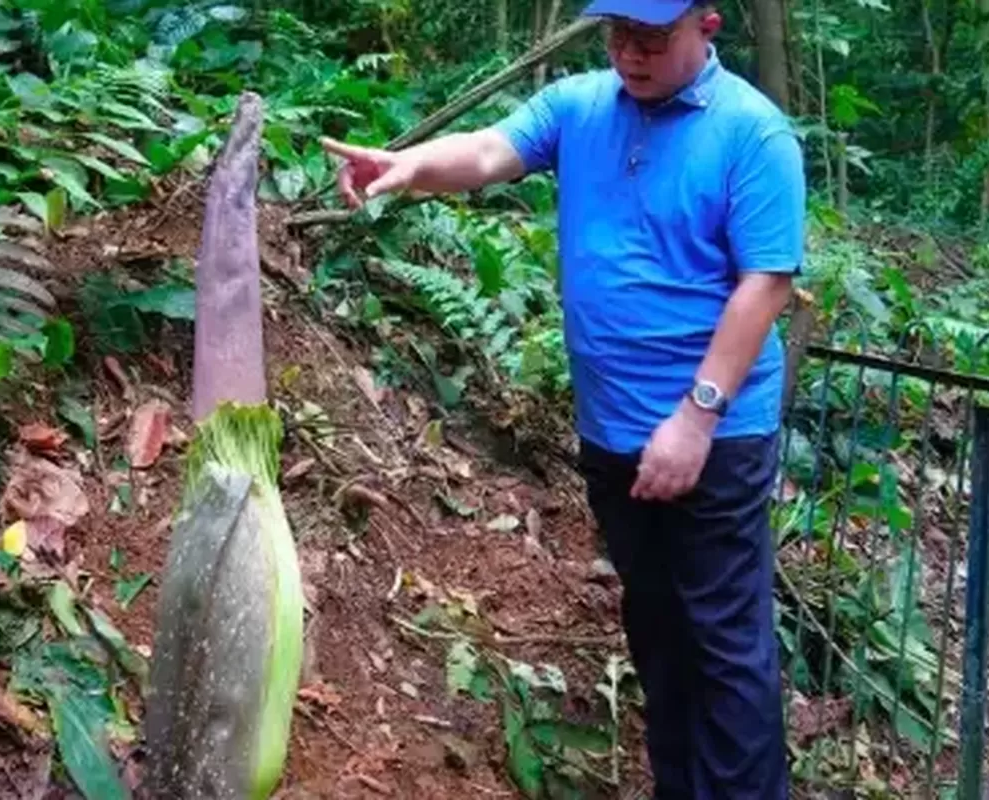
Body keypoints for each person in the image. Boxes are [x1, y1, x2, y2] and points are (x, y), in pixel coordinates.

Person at [321, 1, 804, 796]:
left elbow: (766, 284)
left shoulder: (754, 134)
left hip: (714, 439)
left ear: (707, 25)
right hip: (612, 433)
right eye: (617, 35)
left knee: (724, 646)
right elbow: (484, 152)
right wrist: (406, 167)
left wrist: (695, 418)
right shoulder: (581, 105)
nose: (629, 55)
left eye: (650, 38)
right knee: (658, 632)